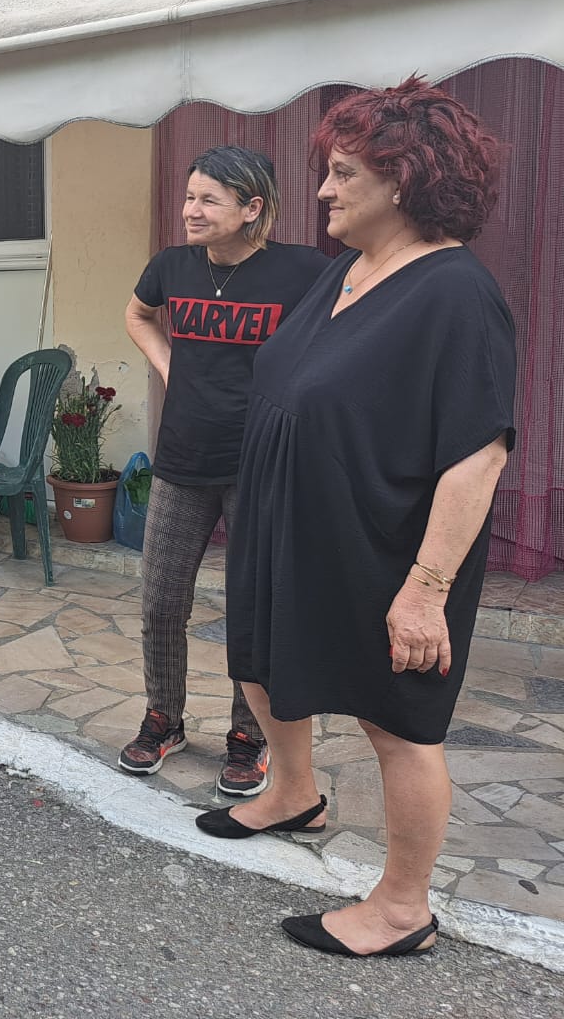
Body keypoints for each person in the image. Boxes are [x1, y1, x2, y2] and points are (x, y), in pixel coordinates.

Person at [199, 77, 515, 959]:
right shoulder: (349, 267)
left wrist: (425, 591)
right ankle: (292, 792)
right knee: (260, 664)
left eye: (343, 174)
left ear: (404, 180)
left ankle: (404, 909)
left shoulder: (457, 294)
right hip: (293, 524)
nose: (324, 191)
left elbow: (480, 453)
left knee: (397, 723)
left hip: (385, 544)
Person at [122, 148, 329, 794]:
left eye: (209, 200)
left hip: (260, 465)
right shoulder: (171, 266)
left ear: (251, 209)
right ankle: (164, 717)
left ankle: (249, 735)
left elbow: (342, 335)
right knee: (162, 600)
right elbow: (137, 315)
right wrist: (169, 367)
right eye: (190, 197)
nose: (191, 210)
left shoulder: (303, 270)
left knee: (254, 609)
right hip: (182, 459)